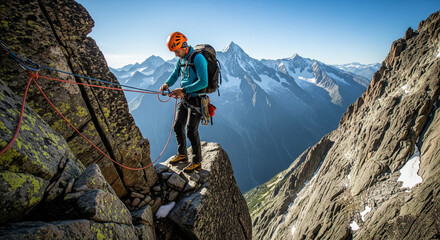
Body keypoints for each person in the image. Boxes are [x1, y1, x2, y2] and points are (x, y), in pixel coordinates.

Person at [159, 32, 208, 173]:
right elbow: (175, 74)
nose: (175, 55)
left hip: (197, 99)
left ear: (184, 46)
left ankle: (197, 162)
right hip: (185, 97)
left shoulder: (198, 59)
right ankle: (182, 155)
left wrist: (184, 90)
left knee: (191, 130)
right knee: (177, 126)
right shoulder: (181, 60)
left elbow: (203, 81)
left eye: (177, 51)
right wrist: (167, 84)